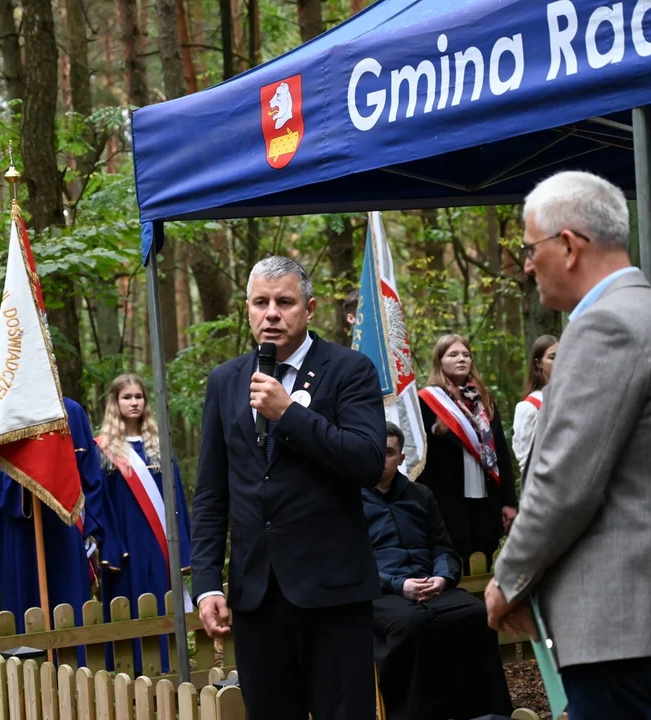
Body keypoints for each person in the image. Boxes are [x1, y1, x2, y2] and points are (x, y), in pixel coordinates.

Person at [485, 171, 651, 719]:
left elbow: (563, 482)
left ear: (569, 245)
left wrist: (508, 580)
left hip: (622, 621)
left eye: (530, 248)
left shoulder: (605, 328)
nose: (526, 264)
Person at [192, 256, 386, 720]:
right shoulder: (225, 381)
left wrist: (289, 415)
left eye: (285, 302)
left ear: (310, 308)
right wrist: (205, 585)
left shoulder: (350, 369)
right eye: (261, 303)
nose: (272, 314)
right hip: (257, 595)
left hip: (334, 592)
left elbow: (366, 460)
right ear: (247, 309)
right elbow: (212, 492)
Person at [364, 423, 513, 720]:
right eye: (375, 452)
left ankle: (490, 714)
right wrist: (399, 585)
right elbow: (354, 563)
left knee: (475, 614)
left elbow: (443, 548)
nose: (382, 459)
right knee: (411, 625)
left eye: (389, 452)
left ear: (402, 457)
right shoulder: (351, 502)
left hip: (431, 587)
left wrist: (442, 578)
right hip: (383, 593)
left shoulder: (421, 496)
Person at [0, 396, 119, 640]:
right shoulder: (3, 411)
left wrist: (92, 528)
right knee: (26, 605)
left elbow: (91, 474)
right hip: (21, 528)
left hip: (66, 526)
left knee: (71, 605)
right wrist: (27, 481)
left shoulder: (73, 411)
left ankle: (76, 668)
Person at [94, 373, 192, 675]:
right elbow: (99, 502)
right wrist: (107, 544)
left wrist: (186, 546)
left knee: (162, 602)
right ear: (115, 402)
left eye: (138, 397)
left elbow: (176, 499)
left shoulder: (159, 444)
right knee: (128, 604)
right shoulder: (103, 449)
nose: (134, 402)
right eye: (127, 397)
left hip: (159, 543)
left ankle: (168, 668)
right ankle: (128, 674)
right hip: (123, 545)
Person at [417, 335, 518, 574]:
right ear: (439, 361)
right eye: (453, 355)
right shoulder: (428, 401)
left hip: (486, 494)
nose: (461, 359)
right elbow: (420, 456)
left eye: (465, 354)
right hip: (448, 496)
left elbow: (500, 452)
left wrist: (509, 501)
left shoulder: (482, 398)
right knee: (454, 558)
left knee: (487, 553)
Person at [511, 334, 558, 478]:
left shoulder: (572, 398)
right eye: (552, 357)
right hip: (544, 482)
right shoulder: (529, 407)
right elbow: (525, 457)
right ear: (539, 363)